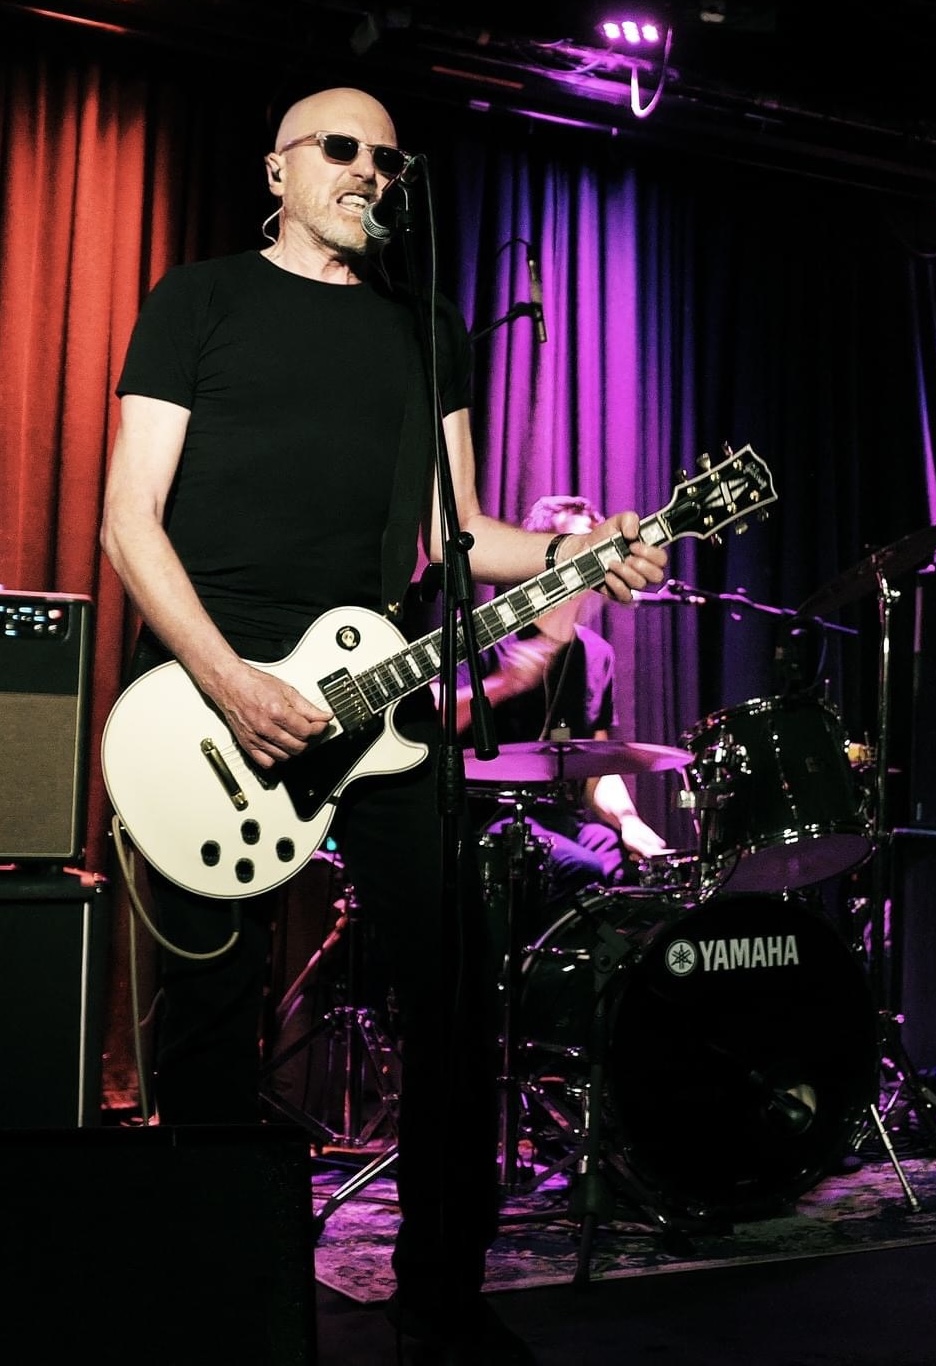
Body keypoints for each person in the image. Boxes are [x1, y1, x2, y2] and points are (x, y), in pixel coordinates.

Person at [99, 86, 666, 1364]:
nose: (368, 171)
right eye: (342, 150)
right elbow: (129, 518)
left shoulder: (426, 332)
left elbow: (457, 535)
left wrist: (589, 545)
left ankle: (443, 1290)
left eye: (386, 158)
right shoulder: (200, 301)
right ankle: (219, 1298)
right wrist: (233, 682)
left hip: (374, 692)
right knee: (207, 1018)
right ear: (281, 168)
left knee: (457, 982)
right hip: (203, 692)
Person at [448, 493, 671, 911]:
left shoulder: (597, 654)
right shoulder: (486, 633)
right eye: (577, 548)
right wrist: (502, 684)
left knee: (632, 877)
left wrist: (628, 820)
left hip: (564, 820)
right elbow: (434, 718)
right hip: (490, 819)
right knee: (581, 869)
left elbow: (597, 767)